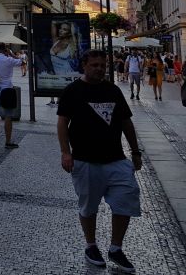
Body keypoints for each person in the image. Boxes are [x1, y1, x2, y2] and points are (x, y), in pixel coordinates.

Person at [57, 49, 142, 273]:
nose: (99, 69)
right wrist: (66, 152)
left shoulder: (112, 90)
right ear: (84, 65)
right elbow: (62, 123)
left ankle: (116, 248)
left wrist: (135, 151)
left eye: (102, 65)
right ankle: (91, 245)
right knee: (89, 207)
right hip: (85, 160)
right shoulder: (73, 91)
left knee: (126, 200)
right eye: (94, 65)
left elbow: (126, 122)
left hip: (115, 158)